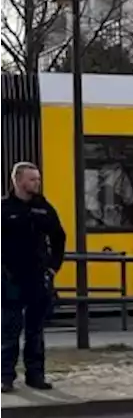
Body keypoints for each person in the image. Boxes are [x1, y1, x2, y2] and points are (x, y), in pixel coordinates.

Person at [0, 162, 66, 393]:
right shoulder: (4, 208)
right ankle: (5, 376)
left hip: (38, 278)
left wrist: (52, 268)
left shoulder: (44, 208)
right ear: (17, 181)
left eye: (38, 179)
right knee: (9, 329)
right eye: (32, 179)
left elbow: (59, 238)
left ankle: (35, 375)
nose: (37, 183)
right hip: (10, 278)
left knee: (35, 331)